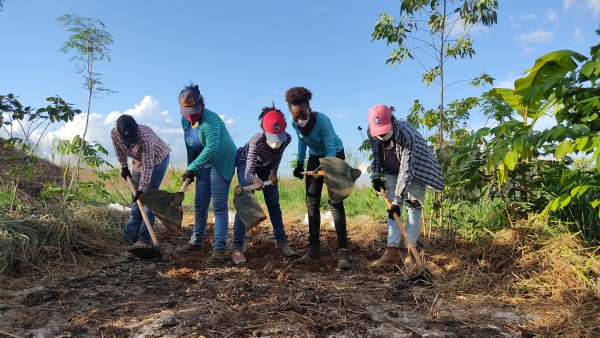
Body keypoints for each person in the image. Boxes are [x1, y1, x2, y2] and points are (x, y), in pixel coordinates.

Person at [367, 104, 445, 265]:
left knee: (412, 207)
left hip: (416, 170)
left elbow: (406, 170)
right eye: (378, 132)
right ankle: (392, 250)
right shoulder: (372, 132)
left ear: (392, 121)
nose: (381, 135)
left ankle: (410, 250)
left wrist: (397, 199)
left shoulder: (407, 135)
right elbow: (376, 155)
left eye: (384, 131)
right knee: (393, 210)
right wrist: (376, 176)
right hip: (391, 169)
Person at [286, 86, 350, 270]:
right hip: (314, 157)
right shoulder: (293, 122)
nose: (300, 121)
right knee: (311, 201)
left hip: (334, 155)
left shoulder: (322, 121)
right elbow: (301, 141)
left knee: (335, 202)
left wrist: (327, 167)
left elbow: (330, 146)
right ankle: (314, 248)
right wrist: (299, 163)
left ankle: (343, 252)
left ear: (309, 108)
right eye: (296, 118)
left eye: (303, 116)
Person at [174, 83, 237, 262]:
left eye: (194, 110)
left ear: (202, 105)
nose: (191, 114)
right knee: (200, 204)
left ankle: (219, 247)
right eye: (187, 111)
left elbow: (212, 148)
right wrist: (190, 168)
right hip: (203, 162)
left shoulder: (211, 121)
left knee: (219, 206)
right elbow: (190, 144)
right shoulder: (185, 120)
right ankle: (196, 241)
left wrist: (193, 167)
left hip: (221, 161)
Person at [231, 106, 298, 264]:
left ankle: (282, 242)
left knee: (273, 202)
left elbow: (277, 157)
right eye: (272, 139)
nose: (276, 144)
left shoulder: (286, 139)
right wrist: (254, 180)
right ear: (264, 130)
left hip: (267, 165)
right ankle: (237, 248)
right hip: (245, 163)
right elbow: (248, 171)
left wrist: (273, 172)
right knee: (245, 202)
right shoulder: (256, 142)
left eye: (278, 139)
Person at [111, 114, 171, 248]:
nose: (129, 142)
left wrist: (142, 189)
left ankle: (144, 239)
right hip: (138, 161)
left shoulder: (146, 139)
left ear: (136, 130)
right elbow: (118, 150)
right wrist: (124, 166)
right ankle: (129, 236)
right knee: (136, 201)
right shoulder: (115, 133)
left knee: (148, 199)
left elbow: (148, 166)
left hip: (156, 161)